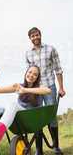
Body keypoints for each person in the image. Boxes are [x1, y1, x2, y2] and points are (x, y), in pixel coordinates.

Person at [26, 27, 66, 155]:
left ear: (40, 35)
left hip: (49, 87)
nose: (35, 37)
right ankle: (39, 150)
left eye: (37, 35)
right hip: (36, 89)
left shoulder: (50, 49)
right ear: (30, 38)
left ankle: (56, 147)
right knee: (37, 118)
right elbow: (29, 74)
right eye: (32, 36)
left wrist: (61, 87)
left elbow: (58, 69)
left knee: (51, 117)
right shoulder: (28, 53)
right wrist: (28, 90)